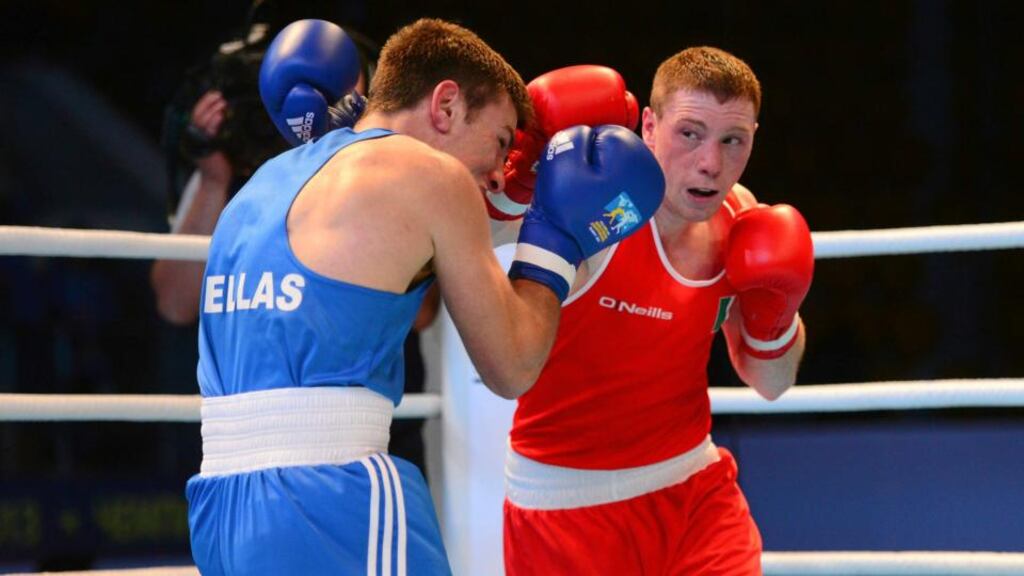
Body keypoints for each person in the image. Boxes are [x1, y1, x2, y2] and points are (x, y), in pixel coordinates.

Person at [185, 17, 665, 576]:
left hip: (219, 506)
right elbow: (512, 365)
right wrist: (554, 241)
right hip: (333, 495)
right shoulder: (435, 177)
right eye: (501, 141)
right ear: (446, 105)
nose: (496, 173)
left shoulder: (265, 181)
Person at [502, 46, 815, 575]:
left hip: (695, 490)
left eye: (732, 141)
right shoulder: (592, 204)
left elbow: (771, 383)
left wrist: (777, 320)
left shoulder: (742, 216)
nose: (711, 163)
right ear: (649, 125)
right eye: (690, 133)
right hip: (566, 507)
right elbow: (463, 237)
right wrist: (511, 186)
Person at [148, 16, 442, 475]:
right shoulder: (231, 173)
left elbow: (420, 315)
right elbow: (173, 302)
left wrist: (350, 151)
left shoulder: (383, 168)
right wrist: (212, 179)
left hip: (367, 439)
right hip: (253, 445)